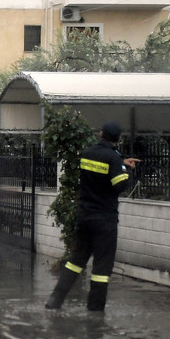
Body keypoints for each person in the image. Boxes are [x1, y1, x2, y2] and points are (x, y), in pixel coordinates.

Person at [45, 121, 140, 312]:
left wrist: (120, 163)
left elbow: (100, 172)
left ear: (101, 134)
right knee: (101, 270)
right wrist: (127, 170)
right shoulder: (113, 158)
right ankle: (95, 313)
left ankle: (54, 301)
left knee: (76, 261)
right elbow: (119, 185)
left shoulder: (87, 154)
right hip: (105, 221)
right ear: (118, 138)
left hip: (85, 216)